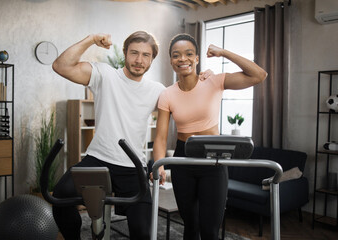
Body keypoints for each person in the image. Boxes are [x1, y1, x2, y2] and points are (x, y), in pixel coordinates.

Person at [52, 31, 165, 240]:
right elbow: (61, 66)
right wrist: (90, 40)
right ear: (125, 53)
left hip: (133, 166)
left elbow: (186, 101)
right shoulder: (105, 74)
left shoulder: (157, 90)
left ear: (152, 59)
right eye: (134, 53)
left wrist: (203, 77)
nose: (139, 60)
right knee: (60, 195)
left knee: (143, 231)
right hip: (98, 158)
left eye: (146, 55)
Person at [152, 33, 267, 240]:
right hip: (182, 160)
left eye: (189, 54)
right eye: (176, 55)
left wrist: (223, 52)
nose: (182, 59)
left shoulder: (214, 81)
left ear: (197, 58)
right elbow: (160, 137)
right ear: (171, 61)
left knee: (210, 230)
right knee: (190, 226)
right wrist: (159, 165)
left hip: (214, 160)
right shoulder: (167, 94)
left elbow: (259, 75)